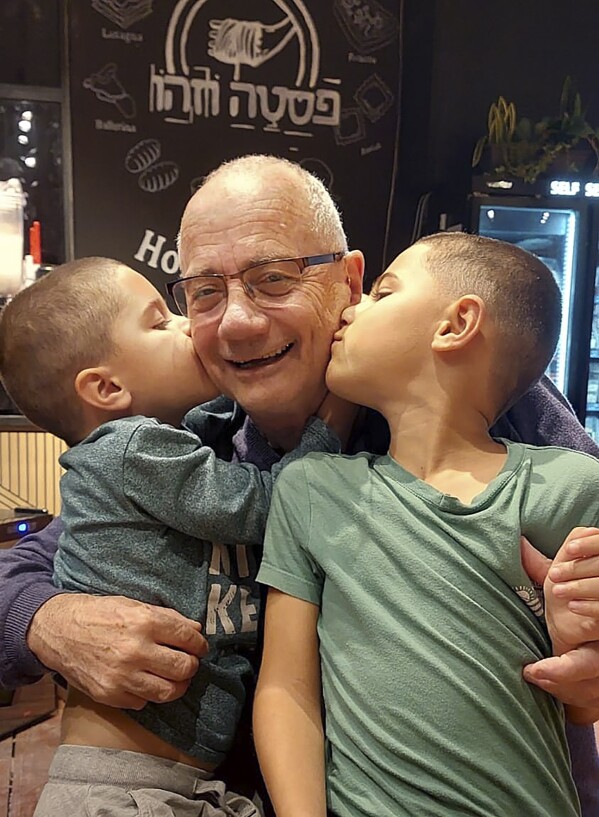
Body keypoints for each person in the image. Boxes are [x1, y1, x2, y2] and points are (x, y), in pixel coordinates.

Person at [0, 156, 598, 812]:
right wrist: (46, 619)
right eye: (203, 293)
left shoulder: (483, 387)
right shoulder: (192, 439)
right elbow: (28, 566)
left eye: (271, 280)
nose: (236, 322)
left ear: (350, 281)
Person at [254, 232, 599, 817]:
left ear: (457, 323)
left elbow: (581, 699)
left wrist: (576, 643)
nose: (351, 308)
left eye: (382, 293)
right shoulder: (309, 490)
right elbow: (285, 689)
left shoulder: (570, 486)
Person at [0, 256, 347, 816]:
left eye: (273, 279)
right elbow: (266, 505)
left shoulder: (156, 444)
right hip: (127, 787)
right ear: (107, 387)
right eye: (163, 320)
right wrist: (332, 425)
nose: (192, 325)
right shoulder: (135, 447)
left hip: (182, 780)